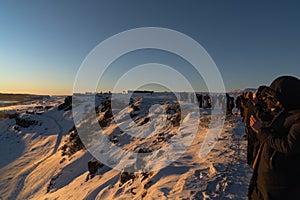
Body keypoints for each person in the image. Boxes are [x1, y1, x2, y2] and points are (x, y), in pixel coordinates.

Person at [248, 76, 300, 200]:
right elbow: (269, 120)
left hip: (281, 185)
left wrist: (261, 131)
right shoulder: (286, 112)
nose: (275, 101)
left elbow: (289, 145)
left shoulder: (297, 118)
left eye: (277, 98)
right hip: (269, 180)